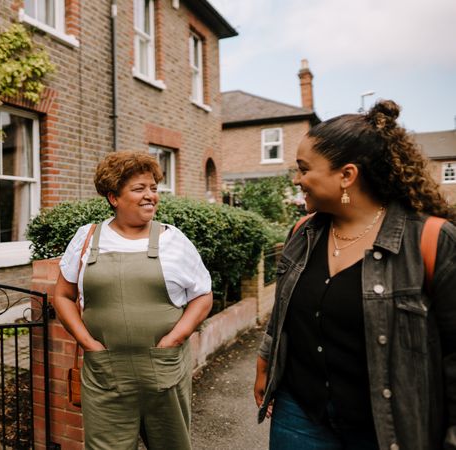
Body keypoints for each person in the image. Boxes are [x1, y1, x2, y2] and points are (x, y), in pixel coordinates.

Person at [253, 99, 456, 450]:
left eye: (304, 169)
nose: (297, 180)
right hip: (300, 414)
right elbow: (283, 313)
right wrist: (265, 361)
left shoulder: (431, 239)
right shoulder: (302, 232)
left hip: (386, 427)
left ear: (347, 175)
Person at [54, 151, 213, 450]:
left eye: (153, 188)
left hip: (164, 372)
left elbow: (203, 295)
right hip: (105, 375)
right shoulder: (87, 238)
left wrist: (175, 339)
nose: (150, 196)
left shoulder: (173, 240)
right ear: (113, 197)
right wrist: (88, 343)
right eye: (139, 189)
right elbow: (62, 295)